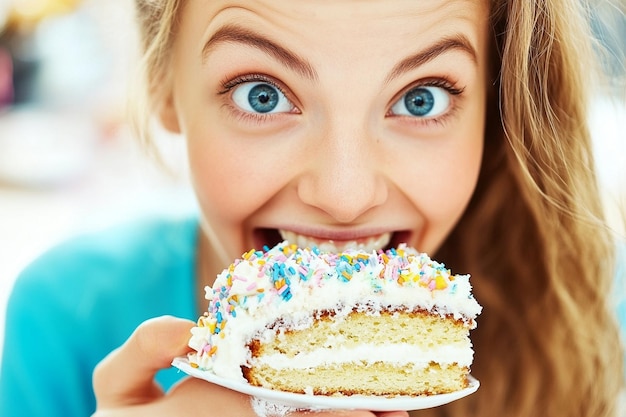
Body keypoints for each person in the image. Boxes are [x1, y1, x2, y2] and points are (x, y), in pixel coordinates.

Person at [0, 0, 624, 416]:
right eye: (263, 95)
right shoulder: (65, 319)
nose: (345, 198)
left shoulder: (593, 311)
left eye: (422, 99)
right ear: (162, 82)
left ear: (495, 106)